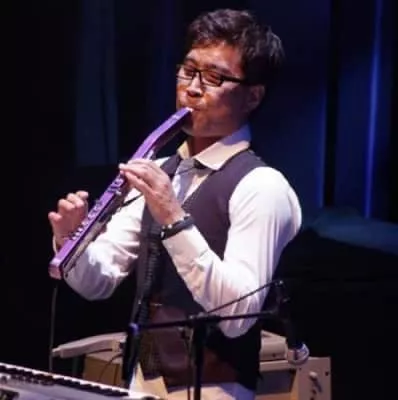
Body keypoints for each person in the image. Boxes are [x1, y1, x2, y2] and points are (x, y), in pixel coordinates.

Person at [48, 8, 302, 400]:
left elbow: (238, 316)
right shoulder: (164, 170)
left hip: (215, 389)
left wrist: (172, 216)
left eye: (214, 77)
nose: (193, 89)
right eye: (188, 71)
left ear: (253, 96)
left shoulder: (262, 186)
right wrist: (71, 242)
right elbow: (99, 281)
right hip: (139, 382)